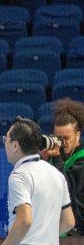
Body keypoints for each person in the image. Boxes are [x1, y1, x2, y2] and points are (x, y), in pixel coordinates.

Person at [42, 98, 84, 236]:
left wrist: (56, 159)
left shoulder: (81, 158)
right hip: (57, 228)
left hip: (78, 232)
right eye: (58, 138)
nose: (61, 143)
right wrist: (44, 162)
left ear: (78, 136)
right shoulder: (55, 157)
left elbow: (68, 188)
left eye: (66, 138)